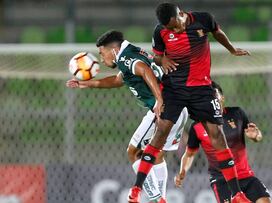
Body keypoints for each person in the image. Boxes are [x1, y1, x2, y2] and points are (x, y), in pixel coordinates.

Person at [128, 3, 251, 203]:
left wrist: (232, 49)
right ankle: (136, 189)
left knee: (218, 137)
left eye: (175, 25)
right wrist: (162, 60)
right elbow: (157, 56)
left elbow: (218, 33)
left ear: (180, 13)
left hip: (202, 90)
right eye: (169, 28)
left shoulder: (203, 19)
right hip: (175, 89)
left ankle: (237, 194)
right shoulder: (160, 31)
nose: (173, 30)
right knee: (159, 136)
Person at [66, 30, 188, 203]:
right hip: (177, 107)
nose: (101, 59)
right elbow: (117, 80)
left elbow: (145, 71)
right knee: (157, 155)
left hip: (162, 108)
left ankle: (156, 200)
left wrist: (159, 101)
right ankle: (161, 199)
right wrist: (86, 84)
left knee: (134, 152)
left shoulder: (125, 58)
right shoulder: (132, 51)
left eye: (102, 54)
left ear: (113, 50)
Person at [174, 82, 272, 203]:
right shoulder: (197, 126)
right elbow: (189, 154)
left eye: (216, 97)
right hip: (222, 181)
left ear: (222, 98)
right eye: (210, 99)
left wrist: (256, 135)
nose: (214, 101)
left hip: (246, 176)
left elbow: (256, 135)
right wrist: (182, 170)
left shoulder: (237, 113)